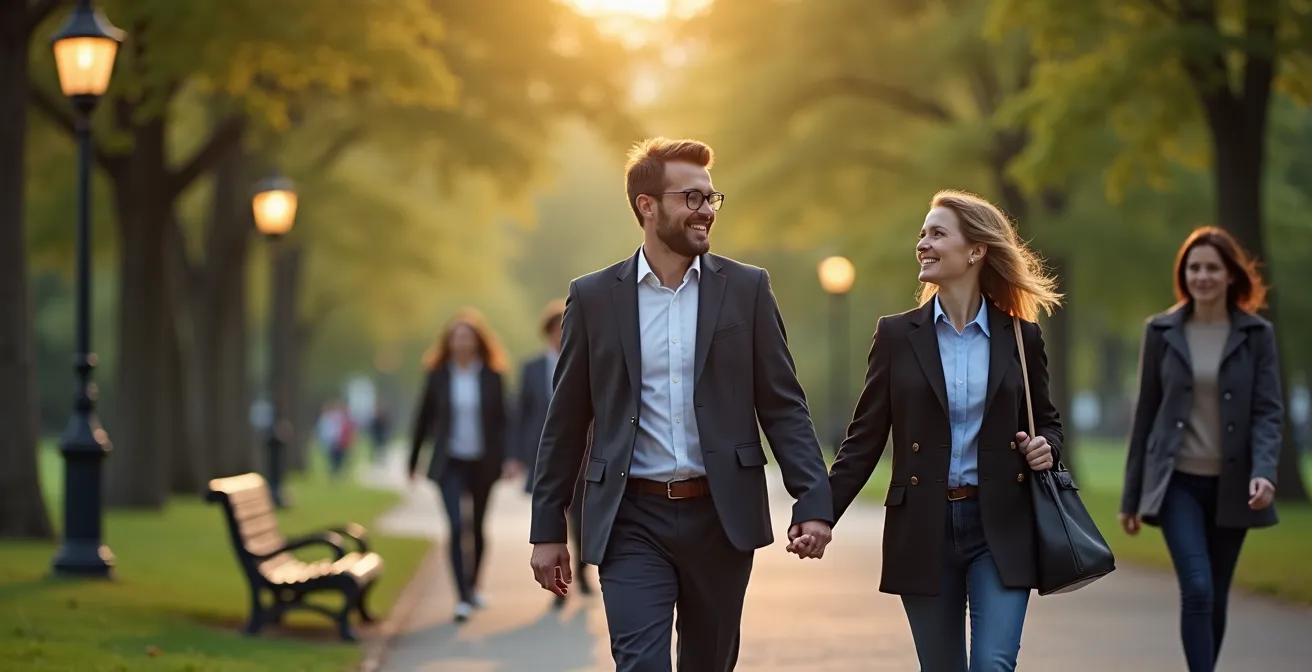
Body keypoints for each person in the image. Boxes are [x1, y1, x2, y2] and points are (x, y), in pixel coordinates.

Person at [528, 137, 834, 671]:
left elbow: (783, 405)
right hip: (630, 517)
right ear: (647, 206)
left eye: (713, 199)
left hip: (720, 516)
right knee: (640, 664)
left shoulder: (746, 289)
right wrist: (547, 527)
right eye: (692, 198)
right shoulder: (595, 297)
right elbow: (567, 419)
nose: (707, 211)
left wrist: (812, 499)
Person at [827, 190, 1062, 671]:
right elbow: (865, 437)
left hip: (1000, 525)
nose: (923, 243)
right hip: (923, 526)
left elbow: (1048, 422)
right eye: (922, 233)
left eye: (937, 233)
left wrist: (1047, 449)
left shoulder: (1021, 336)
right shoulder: (896, 336)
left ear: (976, 250)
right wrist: (819, 513)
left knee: (993, 664)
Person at [1119, 226, 1283, 672]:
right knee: (1196, 587)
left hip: (1233, 485)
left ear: (1231, 275)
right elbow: (1145, 417)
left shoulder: (1256, 335)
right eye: (1194, 267)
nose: (1203, 276)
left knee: (1216, 592)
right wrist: (1131, 497)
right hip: (1177, 484)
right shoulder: (1161, 330)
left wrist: (1264, 471)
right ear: (1183, 274)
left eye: (1212, 267)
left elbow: (1268, 412)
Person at [408, 308, 516, 623]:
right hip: (449, 462)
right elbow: (423, 418)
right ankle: (462, 596)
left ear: (477, 341)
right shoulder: (439, 375)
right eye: (456, 336)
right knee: (456, 526)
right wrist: (413, 461)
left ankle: (473, 585)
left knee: (478, 527)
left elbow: (504, 420)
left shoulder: (492, 376)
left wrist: (510, 457)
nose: (461, 341)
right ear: (449, 342)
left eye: (467, 336)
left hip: (483, 462)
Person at [515, 298, 592, 606]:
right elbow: (521, 413)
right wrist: (516, 455)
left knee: (582, 519)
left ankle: (582, 571)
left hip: (586, 453)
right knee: (552, 519)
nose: (559, 336)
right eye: (554, 330)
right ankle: (559, 586)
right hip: (545, 456)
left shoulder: (589, 361)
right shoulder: (532, 368)